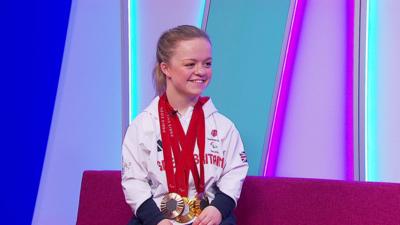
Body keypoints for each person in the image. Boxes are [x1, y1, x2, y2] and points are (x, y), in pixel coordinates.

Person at [122, 25, 248, 225]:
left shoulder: (224, 126)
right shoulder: (143, 125)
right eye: (190, 64)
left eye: (207, 63)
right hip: (159, 217)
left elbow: (235, 171)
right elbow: (133, 180)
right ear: (166, 68)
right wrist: (156, 220)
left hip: (207, 217)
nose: (201, 71)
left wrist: (218, 209)